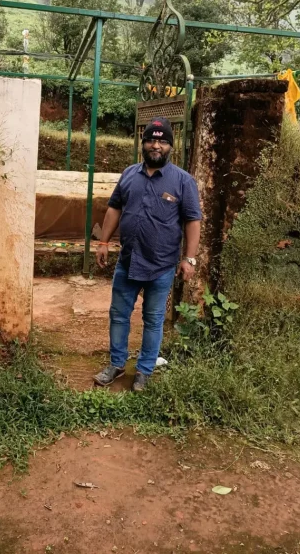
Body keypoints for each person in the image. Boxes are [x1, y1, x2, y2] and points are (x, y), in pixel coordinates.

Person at [93, 116, 202, 392]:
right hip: (128, 260)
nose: (156, 145)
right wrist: (103, 242)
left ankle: (144, 370)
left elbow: (192, 220)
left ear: (170, 147)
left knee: (153, 319)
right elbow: (115, 208)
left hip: (161, 265)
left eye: (162, 141)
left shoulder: (182, 181)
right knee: (119, 314)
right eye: (151, 140)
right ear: (143, 144)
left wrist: (189, 258)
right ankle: (116, 365)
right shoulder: (130, 174)